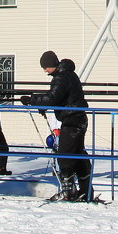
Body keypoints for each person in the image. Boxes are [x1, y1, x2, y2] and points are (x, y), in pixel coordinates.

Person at [22, 50, 92, 201]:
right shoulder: (68, 74)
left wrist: (32, 100)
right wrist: (43, 103)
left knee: (64, 155)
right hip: (77, 119)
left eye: (45, 66)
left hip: (72, 121)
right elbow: (59, 98)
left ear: (52, 64)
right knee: (78, 154)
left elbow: (52, 98)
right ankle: (86, 189)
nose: (44, 70)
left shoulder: (61, 77)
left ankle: (68, 190)